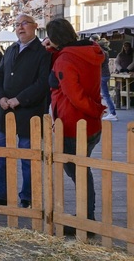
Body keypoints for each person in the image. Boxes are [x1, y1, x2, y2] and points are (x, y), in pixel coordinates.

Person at [44, 18, 104, 233]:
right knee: (81, 170)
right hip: (90, 125)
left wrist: (97, 109)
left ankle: (86, 221)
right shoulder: (91, 50)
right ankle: (87, 218)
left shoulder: (65, 60)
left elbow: (75, 96)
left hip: (72, 124)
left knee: (78, 172)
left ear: (54, 38)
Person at [0, 14, 51, 208]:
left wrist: (20, 99)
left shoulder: (42, 53)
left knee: (28, 158)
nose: (20, 28)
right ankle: (0, 194)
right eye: (17, 25)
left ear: (35, 26)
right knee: (0, 155)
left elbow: (42, 83)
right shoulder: (10, 50)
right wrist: (0, 97)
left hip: (29, 113)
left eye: (24, 24)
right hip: (5, 111)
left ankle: (27, 197)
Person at [98, 38, 117, 121]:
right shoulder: (105, 52)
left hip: (102, 75)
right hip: (105, 74)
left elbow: (100, 64)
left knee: (105, 95)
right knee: (104, 94)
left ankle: (112, 113)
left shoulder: (101, 53)